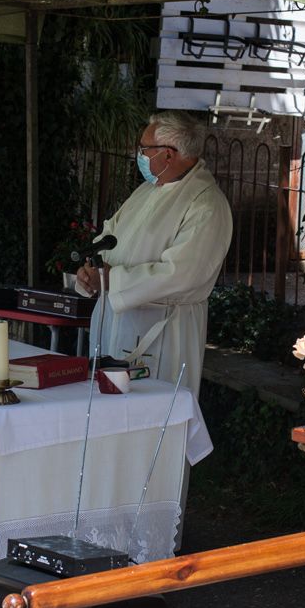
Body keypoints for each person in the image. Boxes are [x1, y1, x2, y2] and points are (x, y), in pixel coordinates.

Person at [74, 111, 234, 395]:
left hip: (164, 332)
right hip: (116, 320)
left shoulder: (206, 204)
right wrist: (93, 270)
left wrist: (112, 280)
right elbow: (111, 236)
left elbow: (182, 274)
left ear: (169, 155)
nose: (140, 155)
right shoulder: (147, 190)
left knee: (151, 414)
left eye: (144, 149)